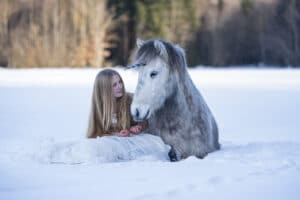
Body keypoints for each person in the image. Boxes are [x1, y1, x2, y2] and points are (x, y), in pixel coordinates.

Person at [86, 68, 146, 138]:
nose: (120, 86)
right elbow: (95, 134)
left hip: (132, 141)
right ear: (104, 90)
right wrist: (117, 135)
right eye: (114, 85)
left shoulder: (131, 99)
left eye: (120, 82)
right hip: (110, 144)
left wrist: (137, 127)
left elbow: (145, 121)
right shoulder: (99, 107)